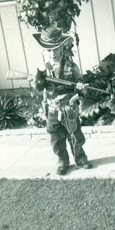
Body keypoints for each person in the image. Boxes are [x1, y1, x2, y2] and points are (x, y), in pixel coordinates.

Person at [33, 27, 93, 175]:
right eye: (48, 50)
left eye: (55, 49)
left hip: (69, 107)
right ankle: (62, 162)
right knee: (56, 138)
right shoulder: (43, 68)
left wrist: (80, 88)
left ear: (62, 47)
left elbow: (81, 89)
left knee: (75, 135)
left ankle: (80, 159)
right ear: (44, 51)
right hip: (52, 108)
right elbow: (39, 88)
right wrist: (39, 74)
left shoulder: (72, 66)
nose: (52, 53)